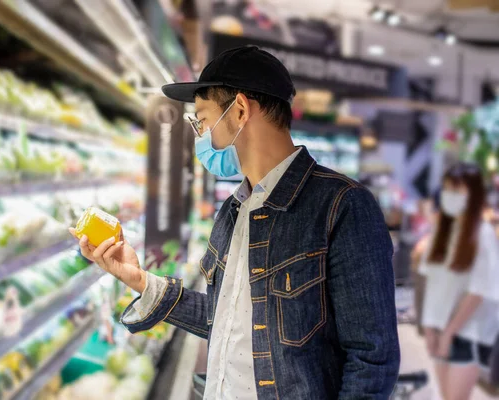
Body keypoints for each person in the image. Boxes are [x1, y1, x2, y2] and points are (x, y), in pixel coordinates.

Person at [70, 46, 400, 399]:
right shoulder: (234, 210)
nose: (200, 134)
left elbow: (371, 360)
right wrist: (138, 279)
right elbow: (227, 319)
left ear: (240, 110)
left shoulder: (342, 206)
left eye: (203, 119)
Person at [419, 163, 499, 400]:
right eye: (446, 189)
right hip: (441, 325)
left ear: (473, 194)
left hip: (469, 330)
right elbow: (431, 283)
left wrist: (449, 334)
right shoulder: (442, 231)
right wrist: (431, 327)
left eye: (457, 190)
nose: (450, 196)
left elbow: (478, 291)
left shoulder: (482, 233)